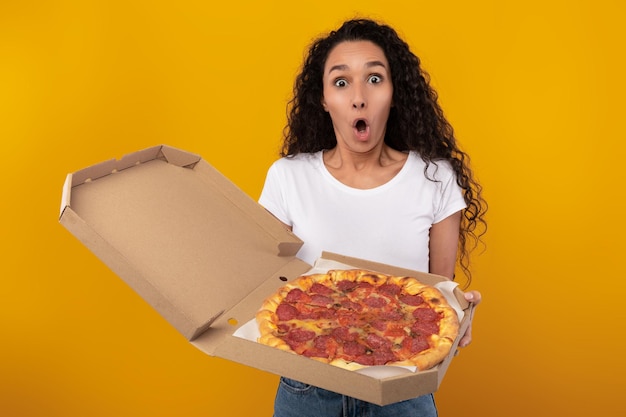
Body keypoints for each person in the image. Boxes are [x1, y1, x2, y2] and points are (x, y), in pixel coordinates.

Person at [258, 18, 487, 417]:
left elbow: (439, 292)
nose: (358, 97)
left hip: (402, 391)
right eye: (342, 82)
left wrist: (460, 309)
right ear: (324, 99)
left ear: (396, 94)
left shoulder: (434, 178)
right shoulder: (288, 177)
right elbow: (263, 284)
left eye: (375, 79)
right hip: (307, 387)